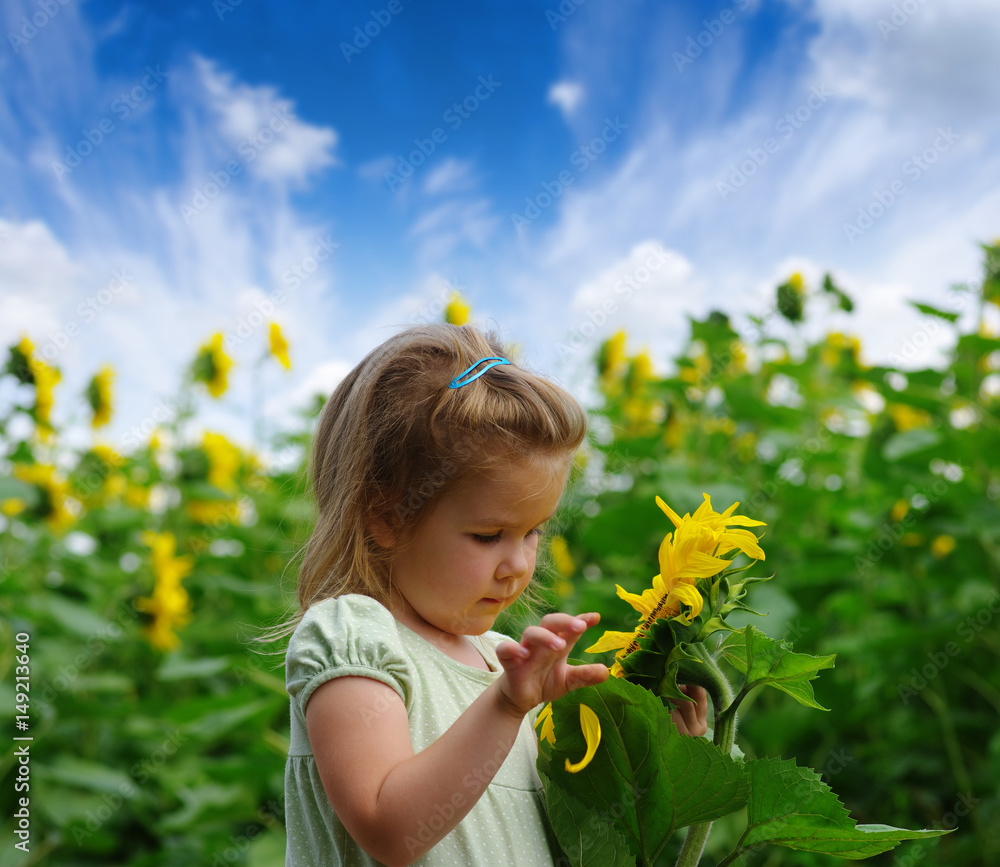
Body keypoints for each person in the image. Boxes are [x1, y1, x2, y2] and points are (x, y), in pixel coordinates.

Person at [280, 323, 707, 867]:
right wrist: (505, 706)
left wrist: (655, 759)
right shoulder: (354, 636)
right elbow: (389, 829)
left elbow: (558, 837)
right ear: (386, 516)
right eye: (488, 536)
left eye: (533, 532)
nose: (520, 564)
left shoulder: (494, 661)